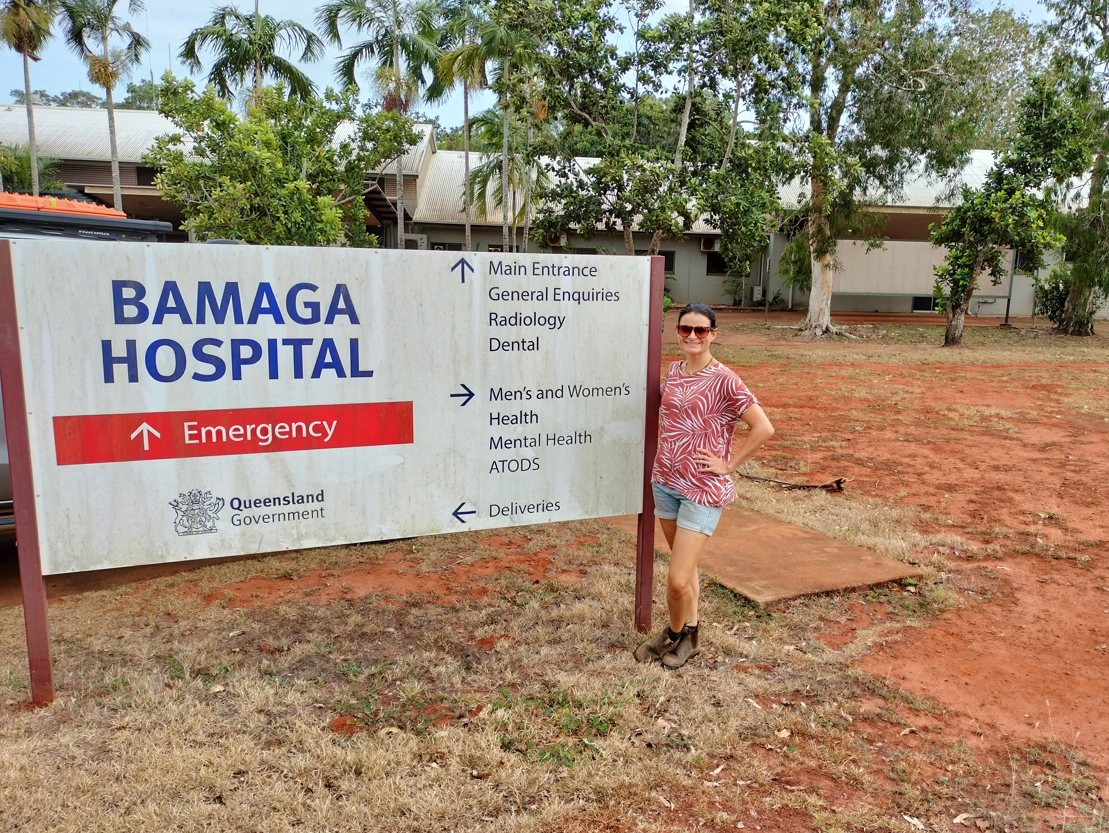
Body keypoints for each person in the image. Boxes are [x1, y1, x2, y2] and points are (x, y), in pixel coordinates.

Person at [633, 302, 775, 669]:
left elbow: (763, 428)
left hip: (702, 490)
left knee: (678, 580)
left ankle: (674, 634)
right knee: (688, 568)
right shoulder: (674, 371)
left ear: (713, 334)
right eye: (685, 330)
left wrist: (728, 465)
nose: (692, 336)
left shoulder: (726, 379)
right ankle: (691, 634)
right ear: (677, 332)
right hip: (665, 480)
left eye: (700, 330)